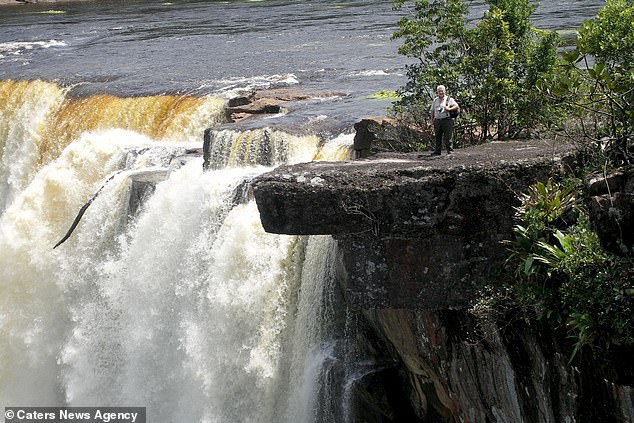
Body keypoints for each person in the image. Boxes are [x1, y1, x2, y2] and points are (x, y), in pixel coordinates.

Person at [429, 85, 459, 155]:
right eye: (439, 91)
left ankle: (450, 151)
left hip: (447, 120)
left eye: (442, 91)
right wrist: (432, 120)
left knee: (448, 136)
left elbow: (456, 106)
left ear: (444, 91)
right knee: (437, 136)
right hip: (437, 120)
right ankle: (437, 151)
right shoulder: (435, 100)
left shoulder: (449, 99)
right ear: (437, 92)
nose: (440, 92)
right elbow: (432, 111)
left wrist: (449, 109)